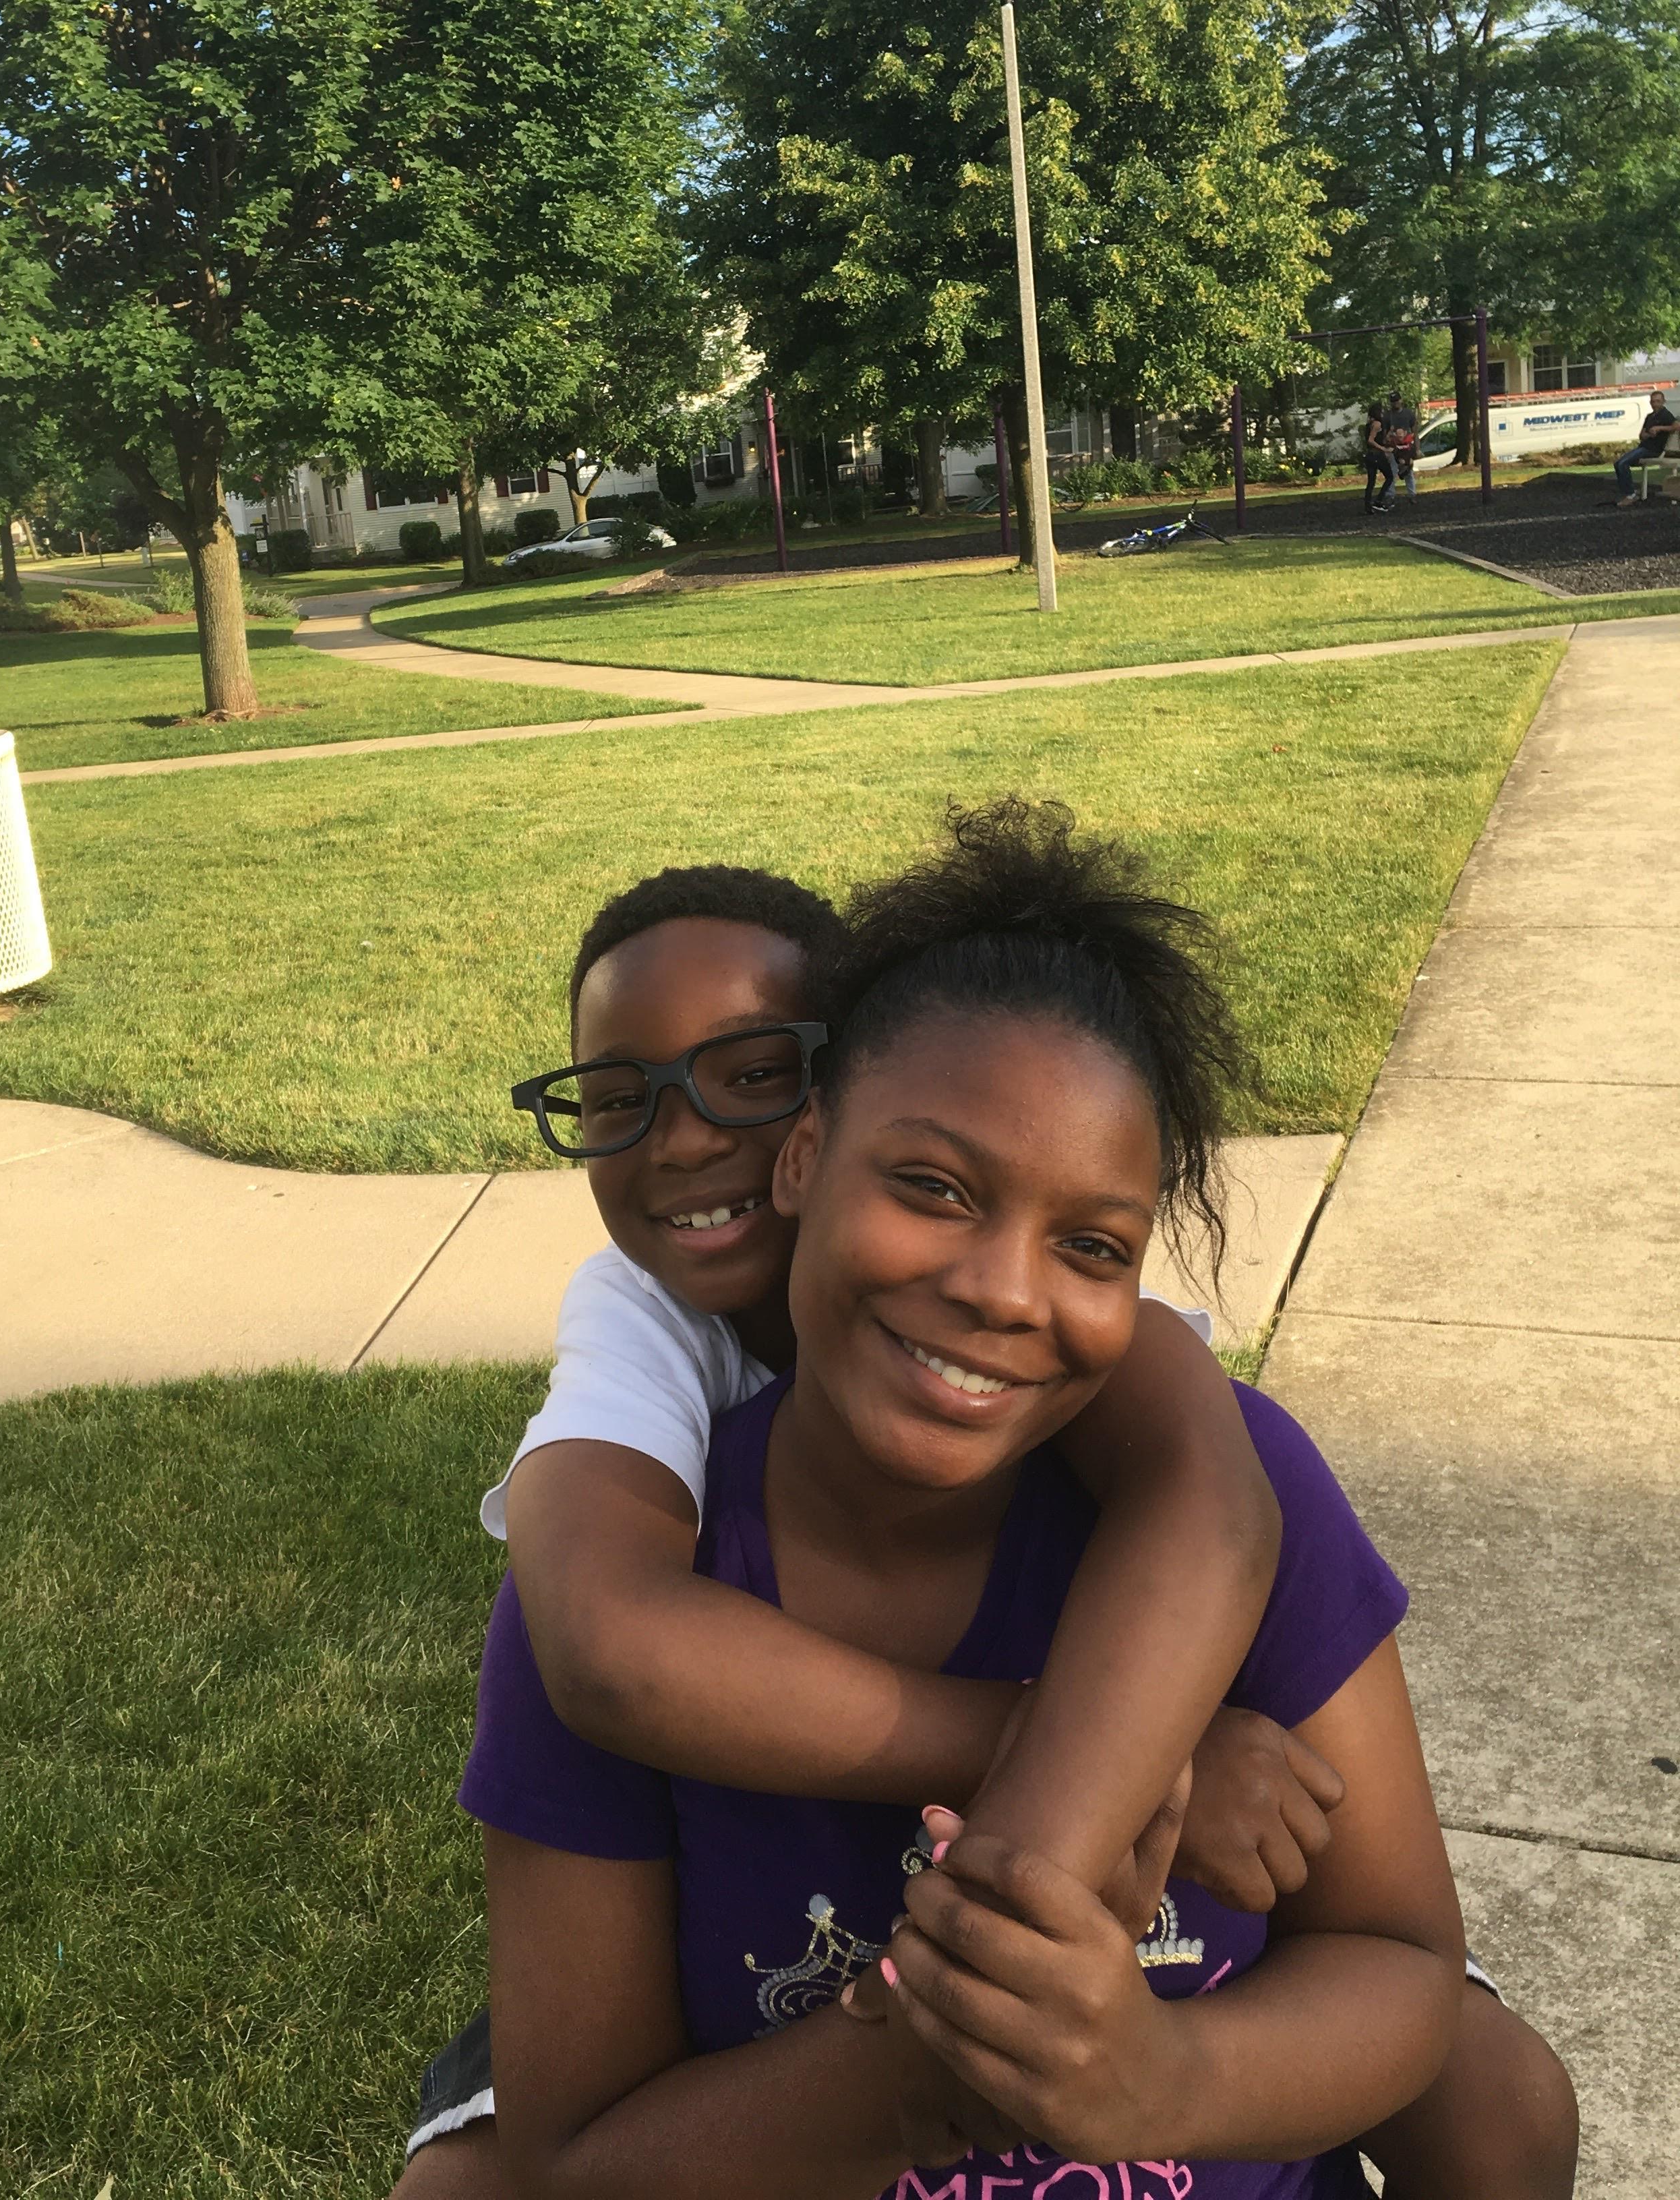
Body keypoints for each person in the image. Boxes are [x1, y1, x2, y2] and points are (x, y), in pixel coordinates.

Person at [435, 810, 1577, 2200]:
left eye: (1090, 1245)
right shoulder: (642, 1408)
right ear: (811, 1158)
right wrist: (948, 2037)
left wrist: (1161, 2079)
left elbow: (1395, 1943)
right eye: (930, 1187)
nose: (1002, 1288)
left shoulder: (1194, 1450)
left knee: (1498, 2089)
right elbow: (610, 1656)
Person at [1613, 388, 1679, 502]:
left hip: (1653, 450)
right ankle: (1630, 492)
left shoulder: (1666, 415)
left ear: (1663, 402)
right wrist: (1647, 435)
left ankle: (1631, 495)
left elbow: (1677, 426)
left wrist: (1660, 428)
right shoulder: (1650, 417)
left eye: (1658, 401)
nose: (1655, 404)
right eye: (1653, 401)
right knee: (1619, 464)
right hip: (1644, 447)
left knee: (1622, 463)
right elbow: (1642, 435)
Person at [1363, 403, 1397, 514]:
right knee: (1390, 477)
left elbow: (1378, 439)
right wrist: (1383, 449)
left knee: (1371, 481)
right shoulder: (1377, 424)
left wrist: (1389, 434)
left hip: (1369, 456)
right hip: (1377, 455)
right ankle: (1379, 500)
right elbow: (1371, 440)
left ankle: (1368, 505)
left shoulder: (1369, 424)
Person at [1386, 396, 1420, 500]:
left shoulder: (1408, 413)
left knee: (1408, 471)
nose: (1395, 403)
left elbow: (1415, 432)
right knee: (1392, 472)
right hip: (1394, 447)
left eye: (1397, 400)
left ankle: (1412, 494)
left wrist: (1417, 448)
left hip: (1407, 447)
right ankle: (1391, 495)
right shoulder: (1388, 416)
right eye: (1393, 401)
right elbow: (1385, 434)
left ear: (1401, 400)